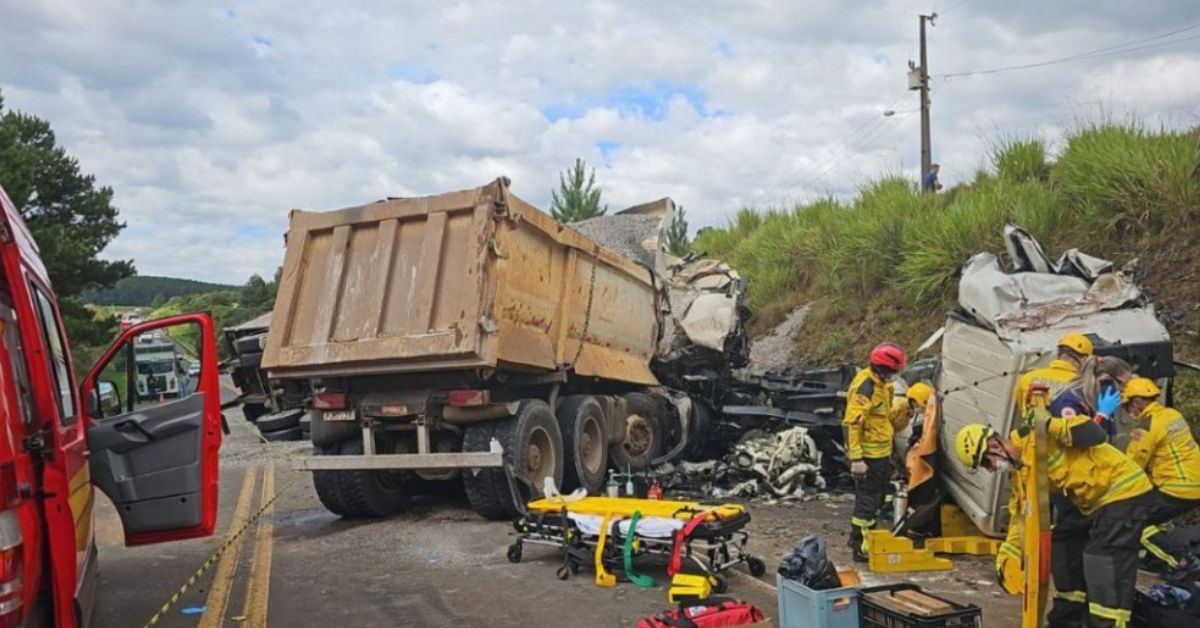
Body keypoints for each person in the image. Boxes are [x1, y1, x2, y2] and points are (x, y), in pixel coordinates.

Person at [955, 355, 1153, 628]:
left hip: (1121, 492)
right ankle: (1067, 617)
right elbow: (1020, 517)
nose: (992, 468)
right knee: (1064, 544)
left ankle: (1109, 622)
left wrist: (1047, 424)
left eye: (987, 461)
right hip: (1091, 502)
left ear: (995, 445)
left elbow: (1093, 436)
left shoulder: (1039, 435)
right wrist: (1009, 553)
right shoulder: (1022, 470)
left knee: (1101, 558)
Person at [995, 332, 1095, 591]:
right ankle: (1065, 569)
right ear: (1081, 359)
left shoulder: (1028, 379)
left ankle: (1026, 567)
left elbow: (1026, 419)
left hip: (1031, 458)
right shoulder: (1078, 383)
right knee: (1069, 523)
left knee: (1029, 514)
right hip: (1065, 461)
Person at [843, 342, 912, 562]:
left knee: (879, 497)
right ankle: (859, 546)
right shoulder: (866, 387)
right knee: (867, 502)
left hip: (881, 454)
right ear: (883, 368)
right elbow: (851, 423)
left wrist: (904, 409)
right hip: (867, 458)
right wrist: (856, 459)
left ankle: (867, 539)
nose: (895, 375)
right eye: (893, 371)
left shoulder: (883, 386)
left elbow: (883, 418)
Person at [1122, 377, 1200, 569]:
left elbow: (1134, 463)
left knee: (1132, 522)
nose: (1129, 413)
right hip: (1193, 482)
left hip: (1177, 487)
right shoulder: (1172, 415)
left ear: (1138, 402)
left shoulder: (1146, 426)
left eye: (1129, 407)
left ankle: (1182, 561)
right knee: (1156, 517)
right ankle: (1155, 557)